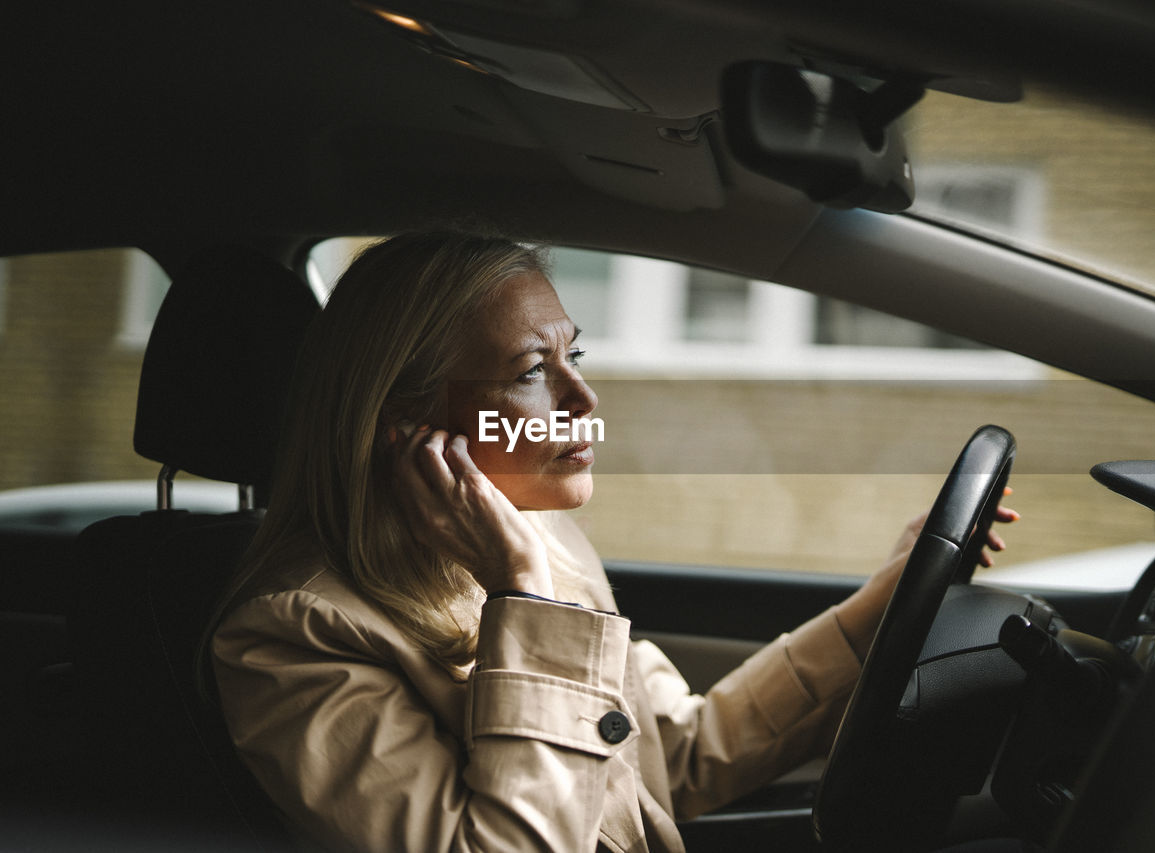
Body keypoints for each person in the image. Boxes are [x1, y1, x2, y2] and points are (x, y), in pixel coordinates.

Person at [210, 231, 1015, 852]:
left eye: (575, 354)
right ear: (409, 428)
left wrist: (880, 603)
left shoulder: (543, 542)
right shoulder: (291, 636)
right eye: (530, 369)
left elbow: (671, 758)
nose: (582, 397)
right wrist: (524, 600)